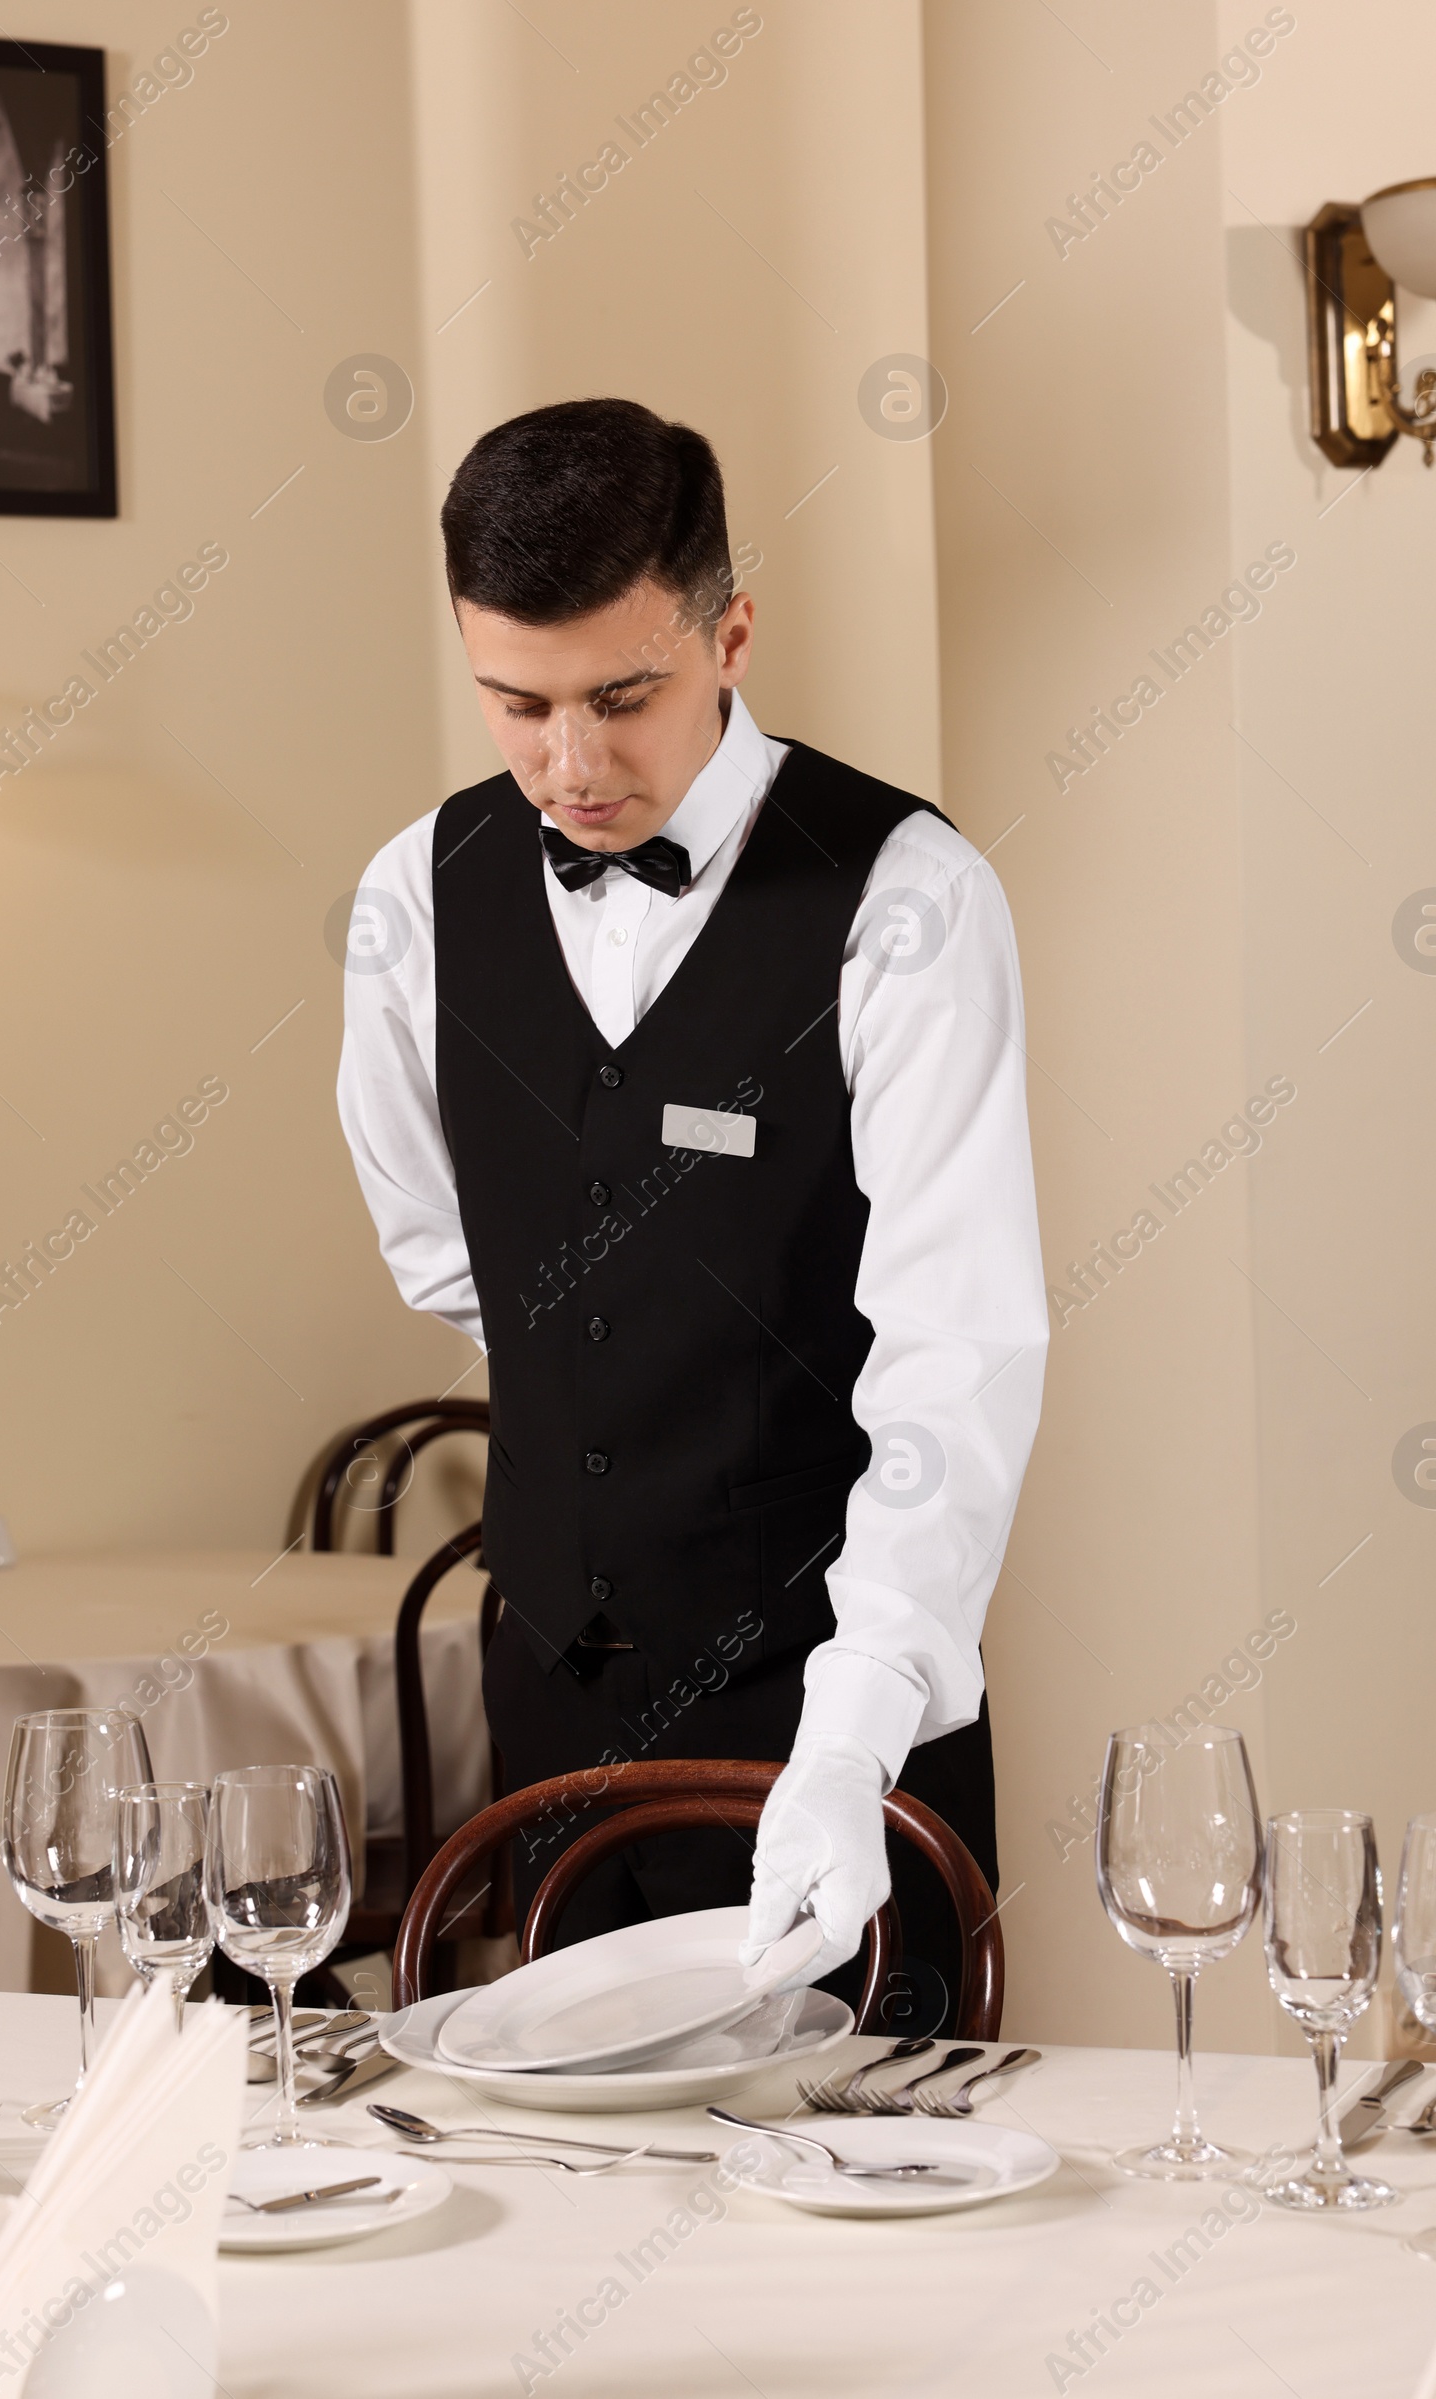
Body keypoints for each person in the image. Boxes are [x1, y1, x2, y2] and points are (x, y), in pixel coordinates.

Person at [337, 397, 1046, 2019]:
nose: (569, 766)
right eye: (515, 705)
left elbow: (961, 1346)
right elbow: (448, 1254)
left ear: (731, 633)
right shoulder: (412, 897)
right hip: (552, 1716)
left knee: (872, 2223)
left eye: (624, 698)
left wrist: (860, 1717)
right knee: (578, 2212)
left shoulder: (908, 899)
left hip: (831, 1693)